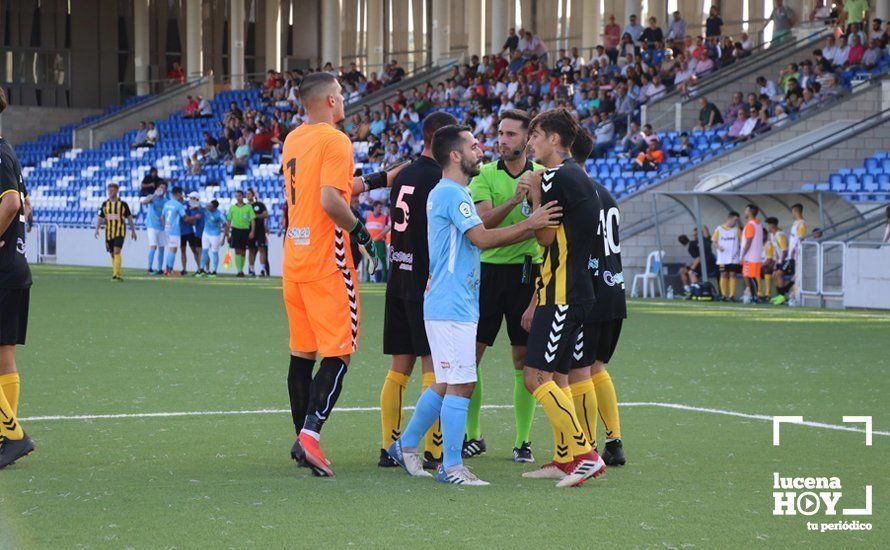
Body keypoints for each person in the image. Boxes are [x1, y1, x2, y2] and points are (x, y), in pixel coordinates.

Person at [386, 124, 561, 485]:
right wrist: (532, 224)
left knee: (444, 382)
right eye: (474, 145)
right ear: (455, 155)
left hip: (448, 300)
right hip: (452, 304)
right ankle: (452, 466)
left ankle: (403, 446)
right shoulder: (454, 194)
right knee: (461, 383)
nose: (481, 149)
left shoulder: (448, 191)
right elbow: (480, 238)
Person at [280, 72, 403, 477]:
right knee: (339, 353)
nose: (345, 100)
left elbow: (330, 187)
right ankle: (311, 438)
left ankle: (302, 438)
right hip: (326, 262)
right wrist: (362, 234)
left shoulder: (294, 138)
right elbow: (331, 200)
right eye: (342, 94)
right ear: (331, 100)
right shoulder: (336, 140)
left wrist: (379, 179)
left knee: (302, 355)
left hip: (294, 261)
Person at [517, 109, 606, 487]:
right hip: (574, 289)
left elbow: (545, 238)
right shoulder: (577, 175)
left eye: (535, 135)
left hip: (562, 293)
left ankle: (586, 455)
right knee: (557, 376)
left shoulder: (553, 177)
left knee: (534, 377)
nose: (529, 142)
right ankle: (564, 457)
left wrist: (535, 194)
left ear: (555, 140)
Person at [378, 111, 457, 471]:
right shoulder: (439, 179)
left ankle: (387, 447)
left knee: (399, 369)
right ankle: (434, 450)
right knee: (434, 367)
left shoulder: (404, 175)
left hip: (398, 277)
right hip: (426, 283)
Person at [465, 109, 544, 464]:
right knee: (472, 357)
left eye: (511, 134)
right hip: (487, 275)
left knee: (523, 358)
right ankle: (473, 435)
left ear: (527, 139)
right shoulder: (483, 175)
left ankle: (523, 441)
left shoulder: (543, 175)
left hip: (527, 275)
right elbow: (482, 221)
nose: (502, 140)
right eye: (500, 133)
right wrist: (515, 199)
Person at [564, 129, 628, 470]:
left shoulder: (578, 194)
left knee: (578, 370)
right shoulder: (607, 194)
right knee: (597, 367)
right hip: (614, 288)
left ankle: (585, 448)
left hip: (589, 291)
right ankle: (613, 441)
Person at [0, 86, 37, 468]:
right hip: (14, 268)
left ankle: (13, 435)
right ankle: (6, 436)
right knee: (3, 355)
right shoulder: (7, 151)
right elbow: (23, 202)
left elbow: (12, 204)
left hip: (3, 270)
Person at [93, 183, 137, 281]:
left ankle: (116, 275)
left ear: (117, 191)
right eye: (109, 190)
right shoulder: (104, 204)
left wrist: (133, 231)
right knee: (112, 254)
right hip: (109, 232)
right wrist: (97, 229)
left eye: (112, 190)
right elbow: (100, 217)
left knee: (117, 251)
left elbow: (129, 218)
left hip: (120, 232)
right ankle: (116, 272)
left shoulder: (123, 204)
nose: (110, 192)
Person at [772, 203, 807, 304]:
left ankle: (792, 297)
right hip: (791, 256)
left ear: (795, 211)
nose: (792, 214)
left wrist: (794, 251)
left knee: (795, 275)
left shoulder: (801, 224)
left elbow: (800, 240)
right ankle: (783, 294)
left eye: (792, 212)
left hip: (796, 256)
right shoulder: (796, 223)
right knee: (780, 274)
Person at [161, 187, 196, 277]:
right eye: (181, 193)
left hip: (167, 230)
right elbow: (185, 218)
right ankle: (170, 270)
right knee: (173, 250)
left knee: (170, 249)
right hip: (174, 230)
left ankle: (167, 269)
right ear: (178, 193)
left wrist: (165, 226)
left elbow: (162, 217)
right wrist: (195, 217)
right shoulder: (178, 205)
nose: (182, 195)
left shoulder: (167, 203)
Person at [711, 211, 741, 300]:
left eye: (737, 221)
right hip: (722, 258)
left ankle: (731, 295)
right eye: (735, 220)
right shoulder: (719, 229)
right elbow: (714, 241)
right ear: (729, 219)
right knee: (723, 274)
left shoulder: (737, 230)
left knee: (733, 274)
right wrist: (718, 247)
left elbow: (742, 242)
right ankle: (723, 295)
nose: (736, 222)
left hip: (734, 257)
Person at [225, 189, 255, 277]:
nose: (238, 198)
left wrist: (252, 231)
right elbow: (229, 221)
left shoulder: (248, 207)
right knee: (237, 250)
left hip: (245, 230)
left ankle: (241, 269)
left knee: (243, 251)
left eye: (240, 196)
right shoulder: (232, 207)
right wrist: (227, 233)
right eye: (236, 196)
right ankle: (239, 271)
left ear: (243, 196)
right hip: (236, 230)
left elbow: (253, 220)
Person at [140, 181, 168, 274]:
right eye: (160, 187)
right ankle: (149, 268)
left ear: (165, 190)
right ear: (157, 188)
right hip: (152, 226)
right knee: (153, 246)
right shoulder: (152, 197)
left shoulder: (166, 201)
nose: (162, 189)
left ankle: (159, 269)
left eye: (164, 188)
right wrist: (154, 195)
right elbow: (144, 202)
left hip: (161, 227)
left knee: (161, 248)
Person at [678, 227, 716, 291]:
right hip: (707, 264)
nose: (695, 236)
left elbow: (699, 258)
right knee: (683, 270)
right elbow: (698, 257)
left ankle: (694, 291)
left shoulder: (696, 244)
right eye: (694, 235)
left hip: (707, 266)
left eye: (696, 234)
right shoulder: (698, 242)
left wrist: (692, 269)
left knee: (691, 272)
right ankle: (690, 289)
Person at [740, 204, 764, 303]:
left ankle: (755, 296)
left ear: (750, 212)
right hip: (756, 254)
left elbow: (749, 241)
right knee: (748, 275)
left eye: (746, 210)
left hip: (750, 255)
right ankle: (750, 294)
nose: (744, 212)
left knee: (751, 276)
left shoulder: (750, 225)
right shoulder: (758, 223)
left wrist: (743, 255)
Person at [200, 200, 227, 277]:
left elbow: (226, 225)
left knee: (214, 252)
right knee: (204, 251)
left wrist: (223, 238)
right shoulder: (206, 210)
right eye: (208, 205)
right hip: (205, 233)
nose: (208, 207)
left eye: (210, 206)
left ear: (214, 208)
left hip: (215, 235)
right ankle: (201, 269)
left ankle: (214, 271)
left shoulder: (219, 214)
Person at [246, 188, 270, 277]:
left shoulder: (260, 205)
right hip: (248, 230)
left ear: (253, 195)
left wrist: (254, 216)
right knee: (251, 250)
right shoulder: (245, 206)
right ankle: (251, 270)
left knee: (261, 249)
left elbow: (265, 214)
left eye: (249, 194)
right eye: (246, 194)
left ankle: (262, 269)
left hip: (260, 230)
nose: (247, 195)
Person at [364, 201, 390, 282]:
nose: (380, 209)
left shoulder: (384, 217)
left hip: (380, 242)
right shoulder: (368, 216)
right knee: (369, 260)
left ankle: (384, 279)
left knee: (382, 260)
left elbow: (387, 228)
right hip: (370, 242)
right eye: (379, 207)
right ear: (374, 207)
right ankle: (367, 279)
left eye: (381, 207)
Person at [763, 217, 788, 299]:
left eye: (767, 225)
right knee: (774, 275)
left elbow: (784, 251)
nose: (766, 227)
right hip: (780, 260)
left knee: (779, 274)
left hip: (787, 259)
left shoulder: (780, 235)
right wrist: (776, 263)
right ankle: (780, 295)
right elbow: (776, 251)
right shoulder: (772, 235)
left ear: (772, 225)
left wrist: (780, 262)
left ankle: (782, 297)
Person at [180, 191, 204, 276]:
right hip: (183, 231)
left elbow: (193, 221)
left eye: (191, 198)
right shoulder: (183, 205)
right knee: (184, 250)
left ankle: (200, 268)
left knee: (196, 250)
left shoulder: (195, 206)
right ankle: (185, 269)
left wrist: (189, 219)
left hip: (191, 231)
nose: (189, 199)